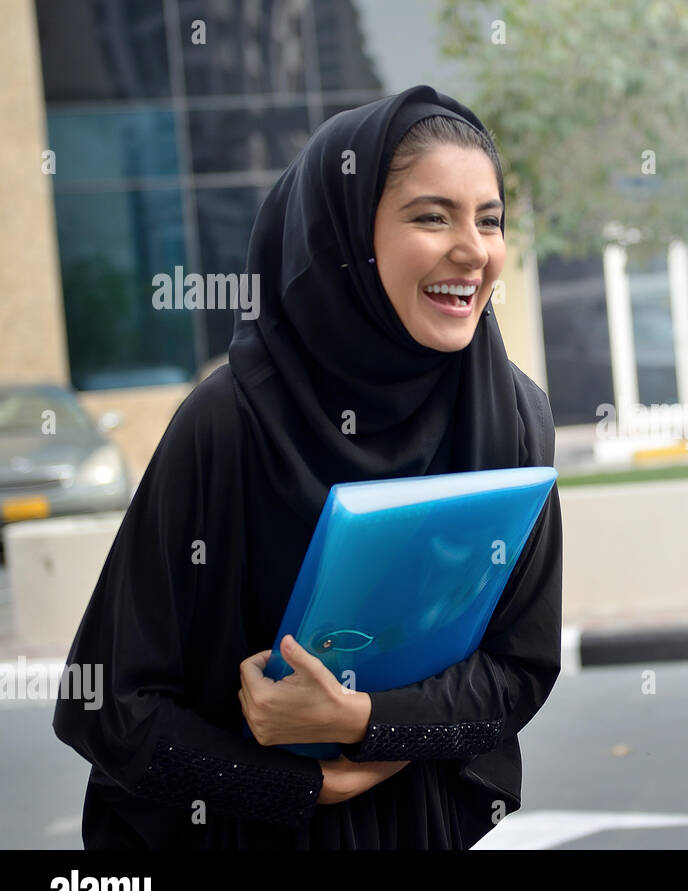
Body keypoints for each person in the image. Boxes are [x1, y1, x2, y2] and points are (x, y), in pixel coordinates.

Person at [52, 86, 563, 849]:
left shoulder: (510, 414)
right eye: (432, 216)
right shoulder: (228, 422)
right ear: (347, 235)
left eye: (488, 220)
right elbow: (107, 704)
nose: (473, 249)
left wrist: (363, 722)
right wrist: (300, 783)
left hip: (410, 827)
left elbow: (519, 666)